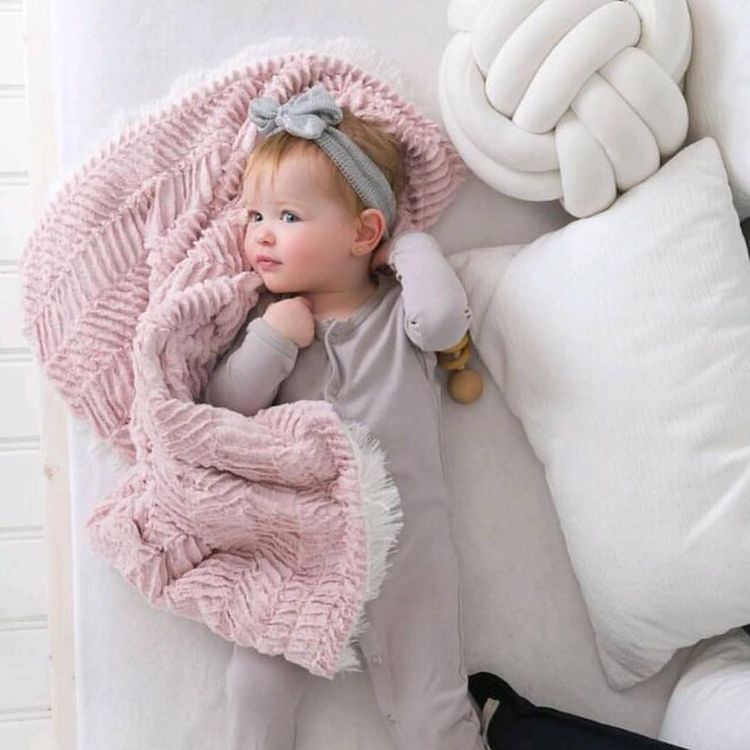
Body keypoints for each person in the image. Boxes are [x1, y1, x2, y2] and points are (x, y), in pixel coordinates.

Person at [202, 83, 486, 750]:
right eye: (254, 215)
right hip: (298, 544)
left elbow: (444, 321)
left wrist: (409, 248)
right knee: (255, 687)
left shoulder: (398, 316)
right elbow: (223, 412)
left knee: (430, 708)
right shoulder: (264, 319)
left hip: (408, 546)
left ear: (363, 233)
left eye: (288, 216)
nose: (261, 232)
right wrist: (274, 341)